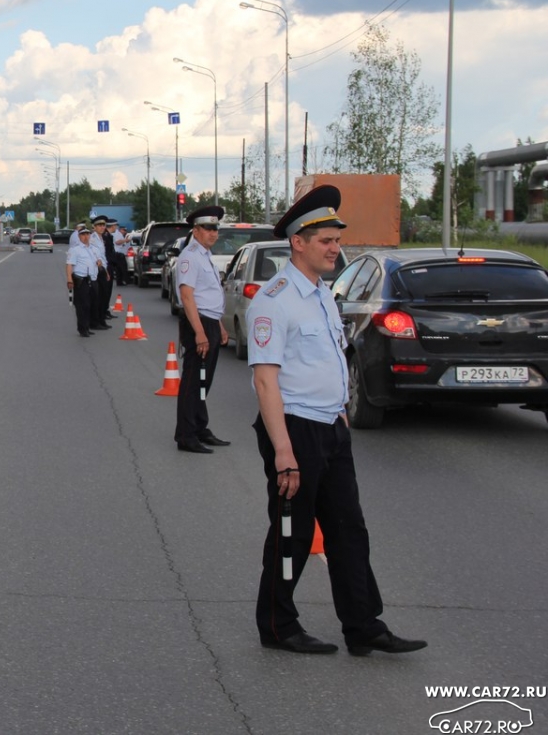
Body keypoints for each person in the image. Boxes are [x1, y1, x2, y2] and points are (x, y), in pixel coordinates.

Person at [248, 185, 428, 656]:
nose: (335, 248)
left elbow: (329, 360)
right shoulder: (275, 300)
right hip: (294, 429)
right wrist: (284, 451)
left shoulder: (323, 295)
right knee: (294, 532)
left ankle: (363, 626)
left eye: (335, 239)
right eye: (326, 240)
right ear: (298, 242)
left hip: (330, 426)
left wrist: (341, 415)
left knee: (349, 529)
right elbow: (266, 382)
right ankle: (278, 625)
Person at [174, 205, 230, 454]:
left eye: (215, 228)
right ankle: (185, 435)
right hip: (198, 324)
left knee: (204, 382)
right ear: (195, 231)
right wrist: (200, 333)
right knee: (193, 382)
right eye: (208, 228)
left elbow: (210, 295)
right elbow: (187, 297)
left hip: (210, 322)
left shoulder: (205, 255)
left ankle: (199, 427)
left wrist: (219, 325)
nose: (213, 233)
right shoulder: (190, 256)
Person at [65, 228, 100, 337]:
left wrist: (99, 262)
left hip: (92, 279)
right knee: (82, 305)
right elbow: (69, 264)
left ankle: (87, 326)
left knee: (91, 305)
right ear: (79, 236)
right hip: (81, 280)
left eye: (87, 234)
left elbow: (97, 260)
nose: (85, 236)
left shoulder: (92, 249)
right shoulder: (75, 250)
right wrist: (69, 279)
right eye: (83, 235)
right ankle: (82, 328)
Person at [90, 216, 115, 321]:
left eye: (103, 225)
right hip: (97, 270)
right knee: (98, 297)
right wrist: (103, 269)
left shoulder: (101, 238)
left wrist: (106, 271)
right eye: (99, 225)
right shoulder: (93, 238)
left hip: (103, 269)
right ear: (94, 227)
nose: (102, 227)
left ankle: (101, 319)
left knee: (104, 295)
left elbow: (103, 256)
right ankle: (97, 320)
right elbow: (95, 255)